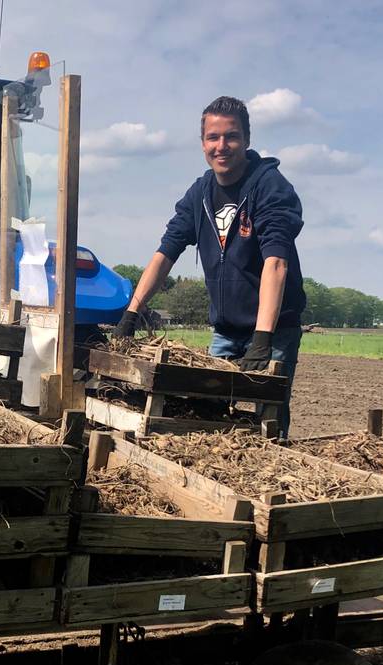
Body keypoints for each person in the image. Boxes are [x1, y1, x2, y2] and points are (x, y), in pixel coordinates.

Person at [113, 96, 306, 436]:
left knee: (268, 418)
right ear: (202, 143)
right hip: (225, 330)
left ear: (246, 140)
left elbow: (276, 262)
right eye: (213, 137)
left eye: (231, 136)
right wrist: (132, 313)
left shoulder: (270, 187)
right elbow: (165, 254)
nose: (222, 146)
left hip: (273, 332)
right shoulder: (200, 193)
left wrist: (262, 337)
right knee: (206, 415)